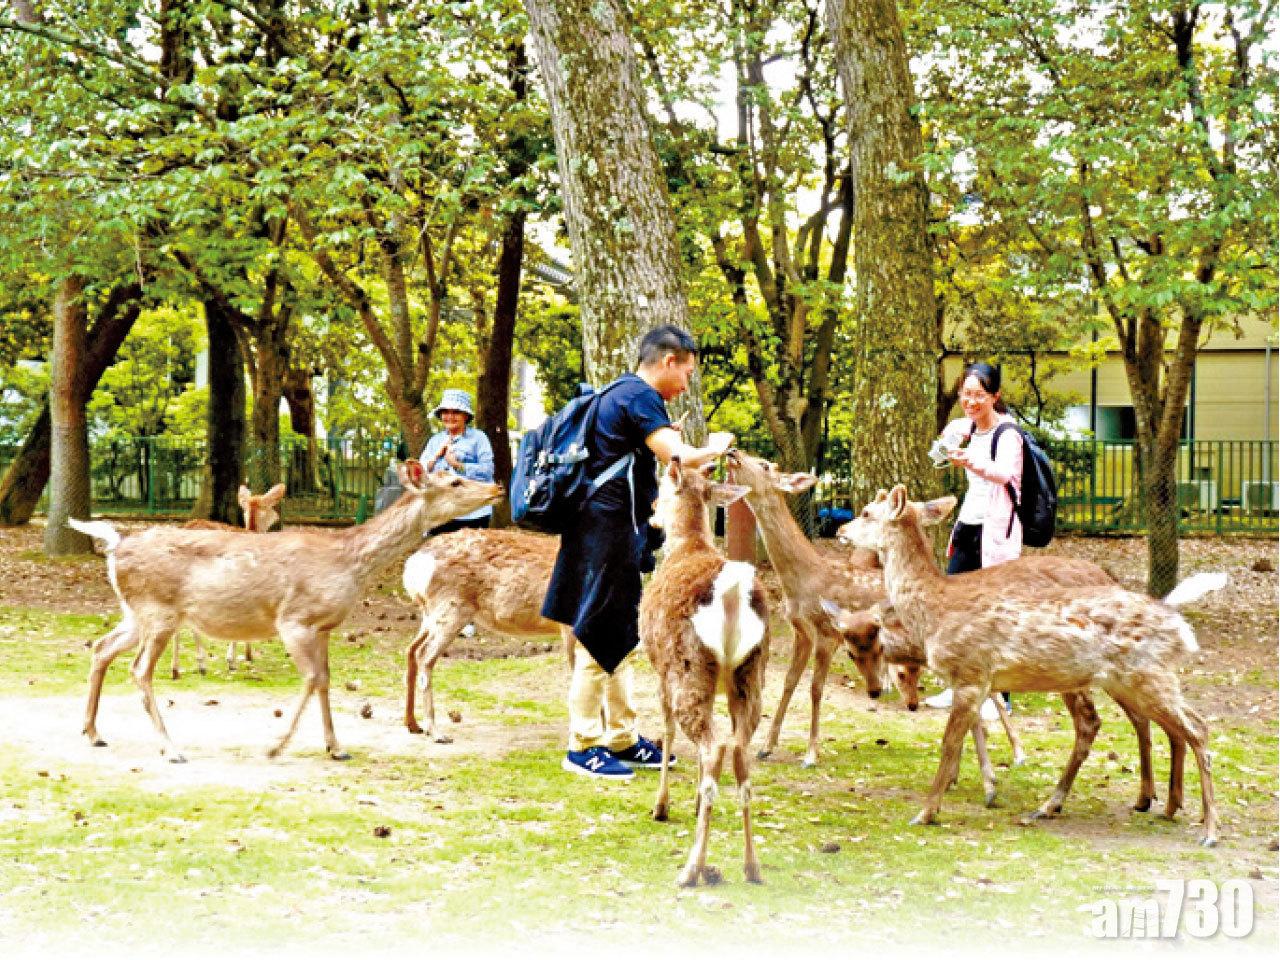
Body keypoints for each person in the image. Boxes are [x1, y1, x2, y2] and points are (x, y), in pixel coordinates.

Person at [542, 325, 734, 779]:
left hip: (605, 530)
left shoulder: (621, 395)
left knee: (622, 636)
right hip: (606, 533)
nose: (686, 384)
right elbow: (678, 457)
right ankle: (582, 744)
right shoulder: (640, 396)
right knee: (597, 636)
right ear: (669, 361)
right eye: (687, 373)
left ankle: (622, 737)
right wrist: (714, 447)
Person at [924, 362, 1023, 717]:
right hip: (967, 525)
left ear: (995, 396)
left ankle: (1001, 698)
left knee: (994, 612)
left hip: (996, 534)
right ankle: (958, 687)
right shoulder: (965, 427)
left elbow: (1005, 474)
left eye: (979, 395)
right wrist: (946, 446)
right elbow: (938, 458)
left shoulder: (1007, 434)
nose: (971, 402)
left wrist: (970, 461)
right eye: (966, 395)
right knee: (954, 607)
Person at [419, 389, 495, 535]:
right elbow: (421, 474)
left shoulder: (479, 438)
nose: (450, 417)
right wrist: (436, 456)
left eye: (456, 412)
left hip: (472, 513)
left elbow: (487, 471)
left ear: (465, 415)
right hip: (440, 512)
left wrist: (458, 465)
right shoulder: (435, 441)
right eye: (445, 412)